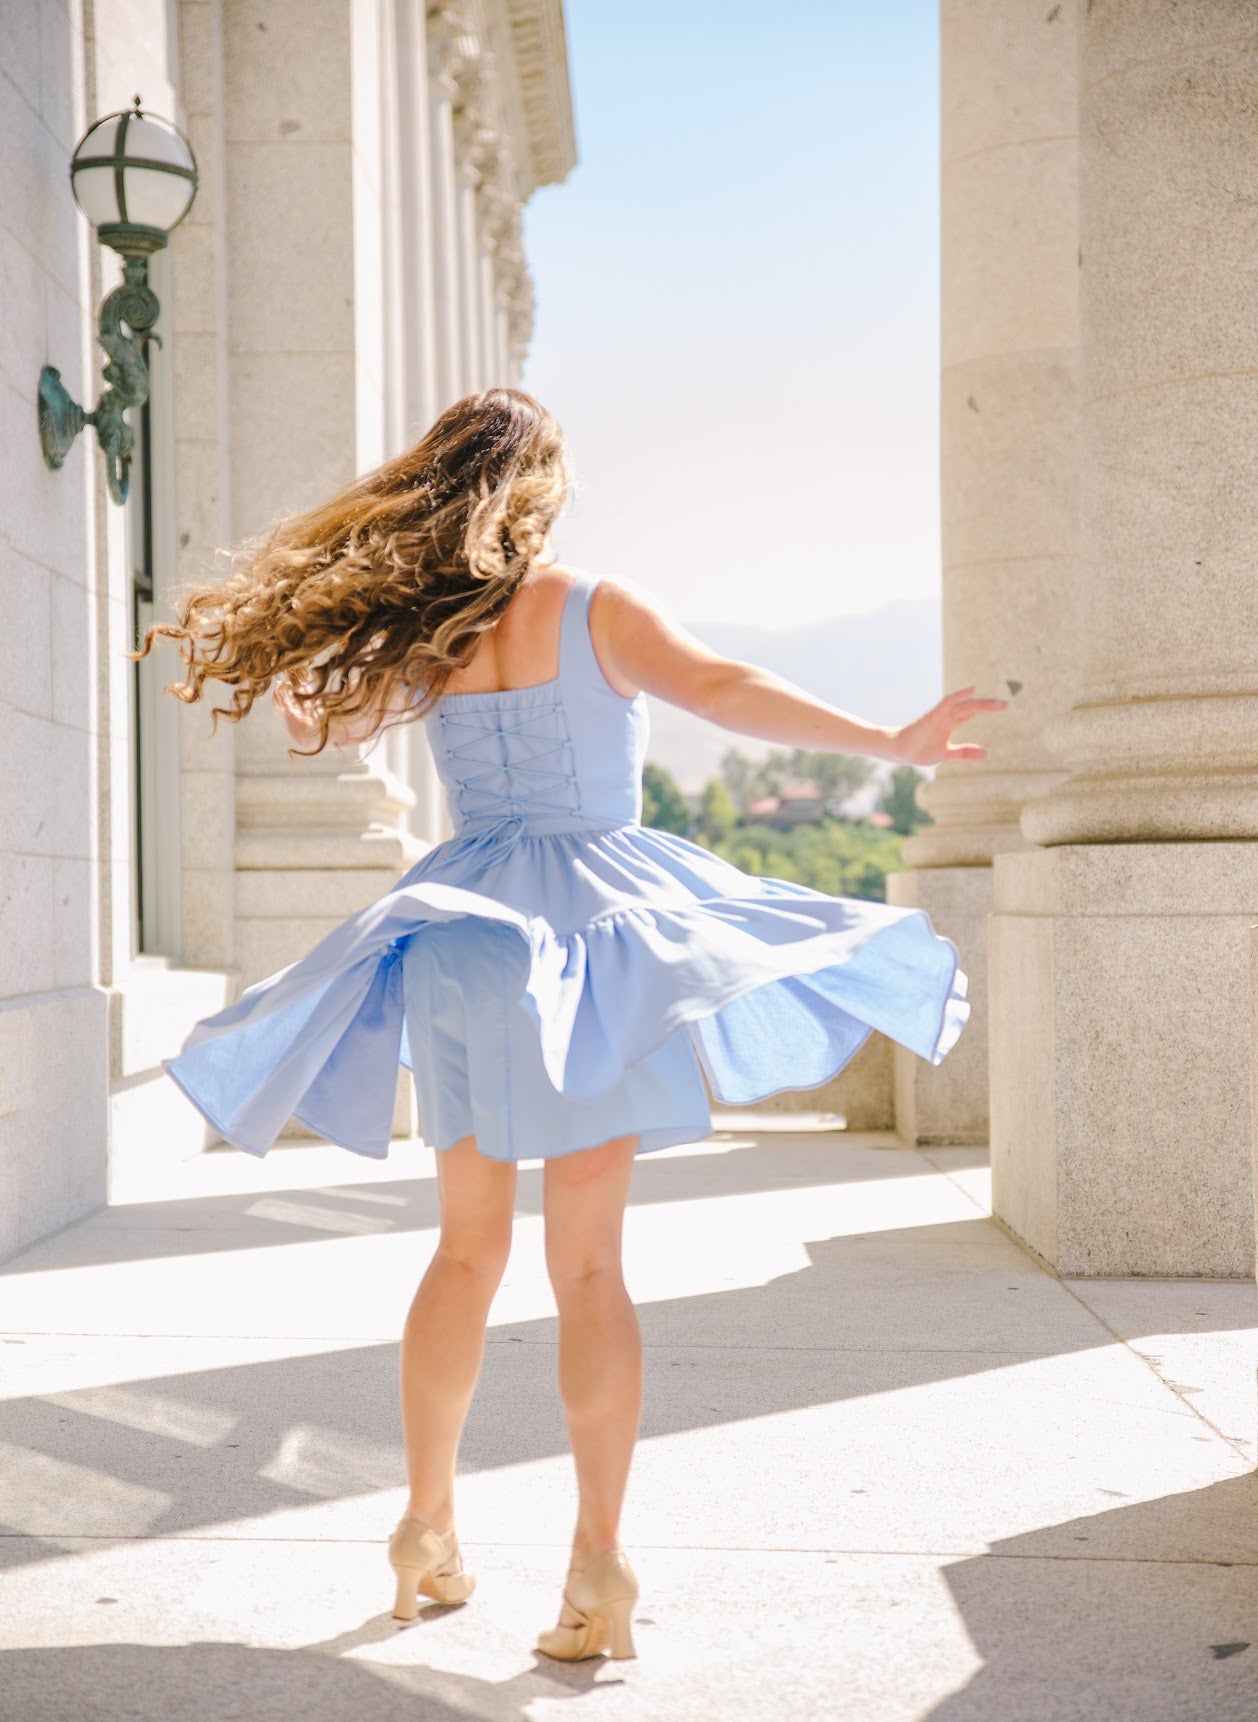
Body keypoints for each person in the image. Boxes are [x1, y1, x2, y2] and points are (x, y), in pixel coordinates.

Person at [136, 387, 1003, 1661]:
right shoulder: (592, 607)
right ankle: (597, 1567)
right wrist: (889, 739)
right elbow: (724, 687)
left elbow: (326, 724)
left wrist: (310, 706)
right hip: (595, 939)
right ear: (537, 485)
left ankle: (425, 1532)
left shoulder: (428, 632)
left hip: (464, 934)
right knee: (587, 1268)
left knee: (463, 1253)